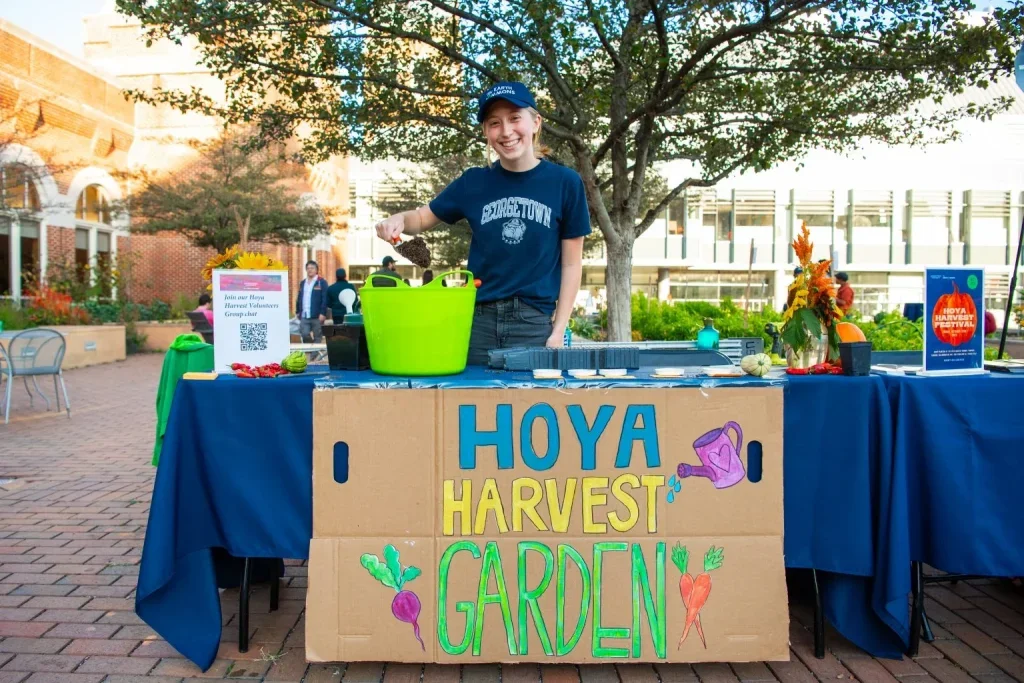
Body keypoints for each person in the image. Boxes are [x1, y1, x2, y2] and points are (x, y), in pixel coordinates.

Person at [374, 81, 591, 365]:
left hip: (534, 324)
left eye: (515, 118)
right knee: (472, 405)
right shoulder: (474, 182)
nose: (506, 131)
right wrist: (398, 219)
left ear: (536, 122)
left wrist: (558, 330)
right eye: (494, 123)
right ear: (486, 132)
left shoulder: (566, 183)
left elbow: (572, 264)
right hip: (477, 321)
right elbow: (422, 217)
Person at [295, 260, 328, 342]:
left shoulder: (321, 282)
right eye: (308, 268)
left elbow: (325, 299)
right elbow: (299, 297)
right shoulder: (303, 283)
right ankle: (311, 348)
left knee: (318, 336)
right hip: (304, 315)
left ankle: (314, 354)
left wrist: (323, 313)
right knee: (304, 334)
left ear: (316, 270)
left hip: (317, 316)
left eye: (312, 268)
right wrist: (298, 311)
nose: (310, 270)